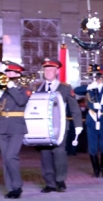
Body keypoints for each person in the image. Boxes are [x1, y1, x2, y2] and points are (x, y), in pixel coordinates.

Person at [34, 59, 83, 192]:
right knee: (45, 154)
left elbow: (74, 107)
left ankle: (60, 180)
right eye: (46, 69)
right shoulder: (38, 87)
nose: (48, 72)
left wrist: (78, 125)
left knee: (59, 152)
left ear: (57, 71)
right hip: (43, 126)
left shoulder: (65, 88)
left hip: (60, 126)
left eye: (51, 69)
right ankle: (49, 183)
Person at [0, 61, 33, 198]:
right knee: (5, 159)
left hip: (17, 127)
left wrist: (11, 87)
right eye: (7, 72)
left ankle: (17, 186)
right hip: (2, 126)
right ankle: (10, 188)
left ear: (18, 75)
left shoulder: (25, 89)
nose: (7, 75)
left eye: (11, 73)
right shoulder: (3, 90)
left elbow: (21, 101)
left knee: (11, 156)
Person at [74, 65, 103, 177]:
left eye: (98, 76)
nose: (96, 78)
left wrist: (102, 108)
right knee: (92, 145)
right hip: (92, 118)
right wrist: (89, 86)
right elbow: (76, 90)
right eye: (93, 76)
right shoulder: (90, 89)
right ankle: (96, 169)